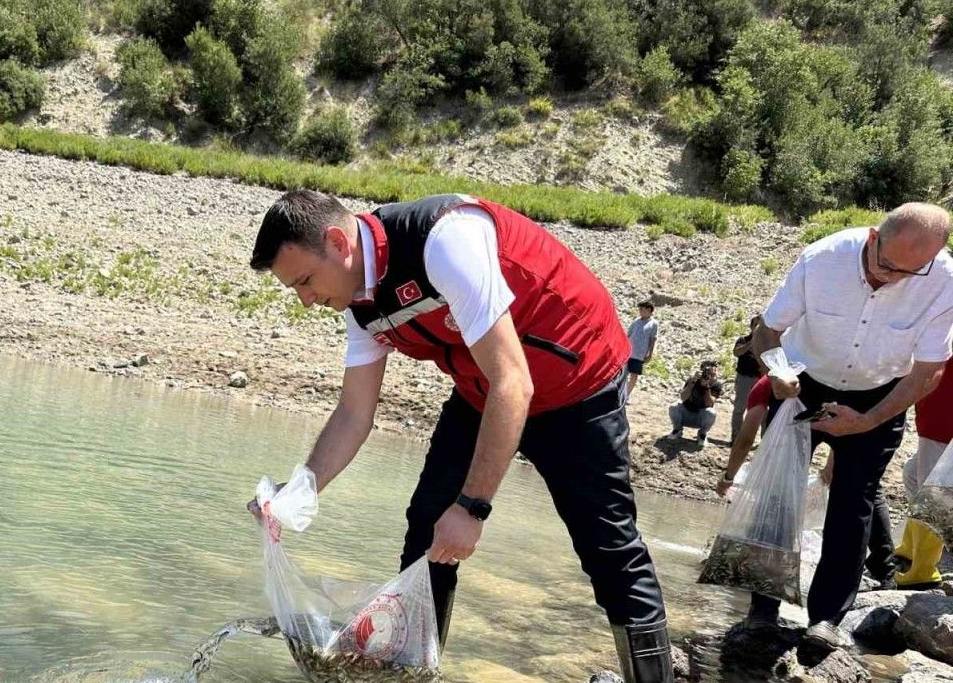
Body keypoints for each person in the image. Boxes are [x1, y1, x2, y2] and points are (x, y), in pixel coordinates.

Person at [246, 190, 673, 682]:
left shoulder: (444, 239)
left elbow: (515, 384)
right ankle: (412, 675)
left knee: (609, 551)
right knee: (429, 529)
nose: (305, 300)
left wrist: (472, 508)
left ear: (338, 243)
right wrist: (300, 490)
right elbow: (353, 412)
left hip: (577, 380)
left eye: (305, 281)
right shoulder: (358, 302)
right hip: (483, 387)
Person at [749, 202, 953, 649]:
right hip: (801, 382)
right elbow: (767, 331)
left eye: (911, 272)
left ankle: (826, 619)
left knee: (853, 505)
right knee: (779, 497)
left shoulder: (943, 280)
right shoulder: (823, 258)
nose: (893, 278)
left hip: (880, 393)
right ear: (873, 237)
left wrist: (869, 420)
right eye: (887, 265)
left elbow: (927, 372)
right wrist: (777, 372)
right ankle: (762, 608)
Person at [717, 375, 897, 590]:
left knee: (779, 497)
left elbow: (746, 438)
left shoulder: (765, 386)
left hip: (843, 414)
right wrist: (832, 463)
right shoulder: (783, 380)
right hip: (849, 407)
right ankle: (885, 569)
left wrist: (728, 477)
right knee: (865, 491)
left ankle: (760, 572)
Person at [894, 357, 953, 588]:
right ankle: (910, 547)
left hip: (943, 420)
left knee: (931, 493)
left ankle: (923, 570)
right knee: (913, 474)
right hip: (936, 415)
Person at [669, 361, 724, 443]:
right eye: (708, 372)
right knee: (674, 407)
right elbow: (683, 397)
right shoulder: (693, 380)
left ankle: (702, 434)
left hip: (700, 417)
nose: (710, 375)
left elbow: (709, 403)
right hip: (686, 414)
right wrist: (693, 382)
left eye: (713, 373)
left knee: (711, 413)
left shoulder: (716, 385)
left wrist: (706, 387)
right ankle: (677, 429)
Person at [731, 316, 763, 444]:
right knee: (739, 408)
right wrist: (751, 343)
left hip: (759, 380)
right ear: (751, 326)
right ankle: (736, 437)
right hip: (744, 379)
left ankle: (758, 440)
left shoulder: (765, 344)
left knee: (759, 411)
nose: (757, 328)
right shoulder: (743, 340)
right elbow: (736, 352)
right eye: (755, 325)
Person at [625, 301, 659, 397]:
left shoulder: (653, 324)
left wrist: (650, 354)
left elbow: (653, 339)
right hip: (628, 352)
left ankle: (627, 394)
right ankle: (620, 392)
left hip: (639, 355)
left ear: (648, 310)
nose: (639, 311)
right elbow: (628, 335)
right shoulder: (636, 321)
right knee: (623, 373)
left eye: (641, 309)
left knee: (634, 375)